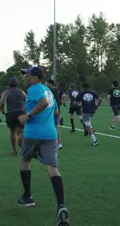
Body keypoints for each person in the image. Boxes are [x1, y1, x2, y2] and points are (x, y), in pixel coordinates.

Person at [17, 66, 69, 226]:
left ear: (35, 77)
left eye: (27, 75)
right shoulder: (47, 89)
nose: (25, 77)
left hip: (33, 134)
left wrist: (29, 115)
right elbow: (54, 111)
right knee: (52, 168)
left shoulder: (34, 88)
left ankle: (28, 196)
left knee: (25, 162)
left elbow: (44, 103)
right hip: (50, 134)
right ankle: (61, 206)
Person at [0, 77, 26, 156]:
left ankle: (14, 150)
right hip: (21, 112)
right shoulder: (21, 92)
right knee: (21, 131)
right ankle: (21, 139)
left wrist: (3, 110)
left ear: (9, 84)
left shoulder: (6, 92)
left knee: (12, 131)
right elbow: (27, 99)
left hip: (11, 113)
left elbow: (2, 102)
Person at [46, 79, 63, 149]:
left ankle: (50, 142)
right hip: (57, 109)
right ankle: (59, 143)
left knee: (49, 126)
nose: (46, 84)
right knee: (56, 127)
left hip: (51, 111)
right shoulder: (57, 90)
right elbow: (60, 100)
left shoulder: (49, 91)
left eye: (47, 83)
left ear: (50, 84)